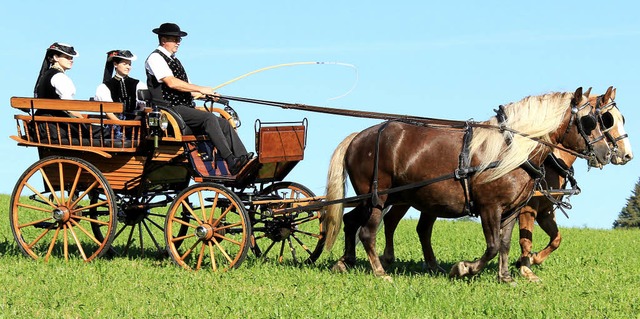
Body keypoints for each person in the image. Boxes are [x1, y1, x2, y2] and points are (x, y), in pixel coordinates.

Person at [145, 22, 252, 175]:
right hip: (169, 108)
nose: (178, 42)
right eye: (175, 39)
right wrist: (200, 88)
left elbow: (186, 89)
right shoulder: (155, 58)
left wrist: (207, 95)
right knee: (209, 118)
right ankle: (230, 160)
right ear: (163, 40)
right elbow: (171, 82)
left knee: (223, 123)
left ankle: (242, 159)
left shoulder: (174, 60)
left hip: (184, 106)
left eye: (179, 39)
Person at [95, 50, 147, 139]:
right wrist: (121, 124)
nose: (128, 67)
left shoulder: (138, 84)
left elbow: (142, 107)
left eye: (129, 64)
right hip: (114, 127)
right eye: (124, 64)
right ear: (115, 64)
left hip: (134, 125)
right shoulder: (104, 87)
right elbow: (108, 112)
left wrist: (133, 123)